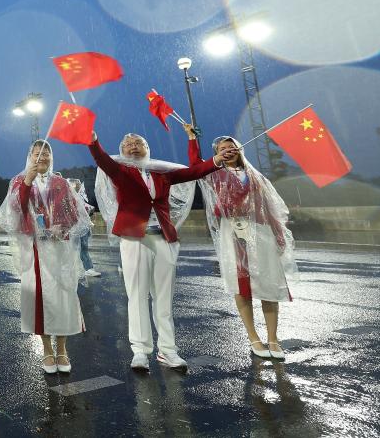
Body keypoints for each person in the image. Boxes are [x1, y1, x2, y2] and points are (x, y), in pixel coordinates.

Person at [91, 125, 232, 371]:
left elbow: (195, 171)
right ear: (121, 151)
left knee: (163, 298)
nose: (133, 146)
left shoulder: (162, 172)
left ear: (148, 149)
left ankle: (168, 351)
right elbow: (101, 158)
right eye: (128, 144)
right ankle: (140, 351)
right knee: (137, 296)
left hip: (163, 237)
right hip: (135, 238)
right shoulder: (120, 170)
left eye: (139, 143)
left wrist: (213, 157)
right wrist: (92, 140)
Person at [191, 134, 297, 361]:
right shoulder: (216, 174)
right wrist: (192, 139)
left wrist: (279, 233)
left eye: (232, 146)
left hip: (261, 232)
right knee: (242, 285)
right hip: (234, 233)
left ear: (240, 149)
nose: (228, 149)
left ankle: (273, 338)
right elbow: (196, 168)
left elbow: (269, 205)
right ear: (217, 153)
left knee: (269, 284)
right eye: (222, 147)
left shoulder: (255, 176)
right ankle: (253, 336)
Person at [1, 141, 90, 374]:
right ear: (29, 156)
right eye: (37, 153)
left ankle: (62, 349)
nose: (42, 156)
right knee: (40, 298)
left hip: (59, 248)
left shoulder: (61, 183)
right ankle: (47, 350)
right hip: (35, 249)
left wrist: (64, 228)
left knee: (63, 297)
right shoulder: (19, 182)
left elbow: (74, 213)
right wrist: (28, 181)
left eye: (46, 152)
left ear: (52, 157)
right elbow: (16, 211)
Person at [67, 179, 101, 277]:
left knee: (82, 248)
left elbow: (84, 211)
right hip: (76, 227)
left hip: (82, 227)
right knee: (78, 249)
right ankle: (86, 268)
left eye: (78, 185)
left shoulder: (80, 197)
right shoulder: (70, 197)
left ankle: (85, 268)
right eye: (75, 185)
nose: (77, 186)